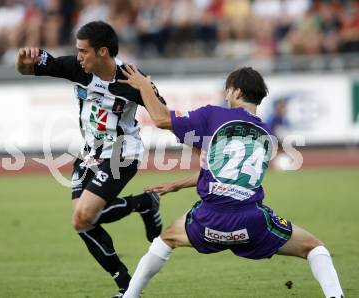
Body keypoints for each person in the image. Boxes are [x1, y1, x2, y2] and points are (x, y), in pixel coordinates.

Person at [118, 66, 344, 298]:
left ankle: (129, 296)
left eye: (227, 92)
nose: (226, 97)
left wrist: (144, 85)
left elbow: (161, 118)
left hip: (209, 221)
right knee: (315, 248)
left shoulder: (213, 115)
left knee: (165, 240)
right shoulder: (268, 136)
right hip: (252, 223)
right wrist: (177, 184)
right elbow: (227, 175)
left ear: (236, 92)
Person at [15, 21, 164, 297]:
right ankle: (143, 205)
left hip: (122, 153)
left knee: (82, 217)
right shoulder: (76, 68)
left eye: (84, 51)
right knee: (83, 221)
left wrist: (146, 89)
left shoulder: (132, 78)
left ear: (103, 52)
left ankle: (127, 285)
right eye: (78, 50)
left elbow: (163, 115)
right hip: (90, 154)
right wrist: (23, 62)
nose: (79, 56)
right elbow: (28, 69)